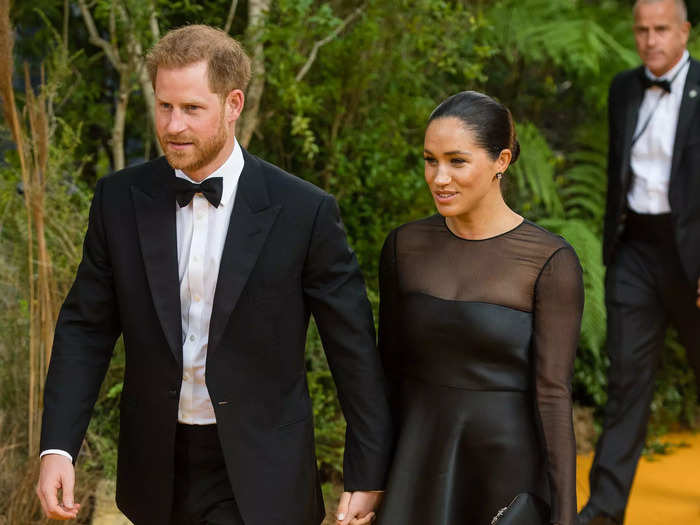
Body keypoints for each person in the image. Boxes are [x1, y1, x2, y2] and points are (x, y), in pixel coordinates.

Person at [35, 24, 393, 525]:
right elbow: (85, 328)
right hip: (155, 469)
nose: (173, 125)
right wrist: (58, 448)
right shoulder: (117, 200)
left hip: (265, 468)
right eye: (165, 106)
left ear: (233, 104)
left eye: (192, 108)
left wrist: (367, 469)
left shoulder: (304, 211)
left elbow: (352, 348)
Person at [376, 91, 583, 525]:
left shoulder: (548, 260)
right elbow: (387, 376)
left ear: (501, 161)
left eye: (457, 161)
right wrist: (370, 477)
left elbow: (553, 394)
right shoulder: (404, 247)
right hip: (418, 463)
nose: (439, 177)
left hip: (504, 469)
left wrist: (565, 517)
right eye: (430, 160)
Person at [578, 1, 700, 523]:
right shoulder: (623, 88)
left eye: (660, 30)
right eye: (641, 30)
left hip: (694, 254)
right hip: (635, 252)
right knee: (626, 383)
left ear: (685, 31)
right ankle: (603, 512)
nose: (649, 40)